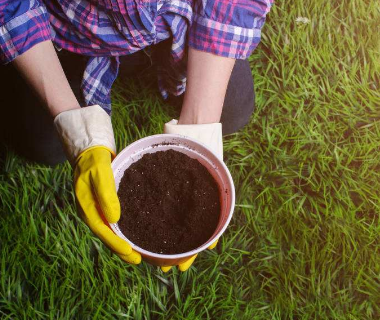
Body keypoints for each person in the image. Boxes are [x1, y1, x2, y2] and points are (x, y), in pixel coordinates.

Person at [0, 0, 273, 272]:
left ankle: (152, 60)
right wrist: (74, 124)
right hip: (73, 31)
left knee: (235, 109)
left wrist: (198, 127)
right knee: (41, 144)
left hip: (175, 20)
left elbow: (234, 6)